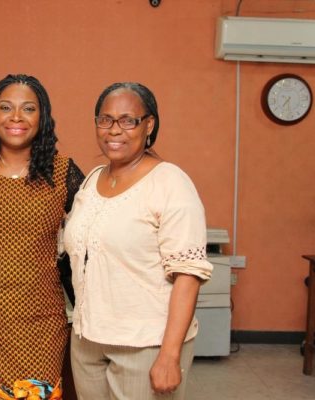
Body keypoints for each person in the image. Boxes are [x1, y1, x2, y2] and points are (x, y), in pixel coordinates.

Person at [63, 82, 213, 400]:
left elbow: (188, 275)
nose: (114, 130)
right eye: (105, 120)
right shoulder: (92, 181)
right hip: (87, 340)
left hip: (146, 344)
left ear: (149, 125)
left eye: (127, 120)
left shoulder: (170, 182)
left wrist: (170, 356)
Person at [0, 74, 84, 399]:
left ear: (43, 117)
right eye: (6, 107)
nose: (16, 117)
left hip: (42, 319)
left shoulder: (63, 172)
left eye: (29, 109)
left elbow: (90, 238)